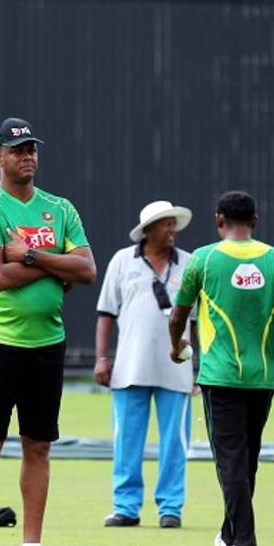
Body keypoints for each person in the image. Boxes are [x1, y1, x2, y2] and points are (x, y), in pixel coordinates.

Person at [0, 117, 96, 546]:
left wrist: (33, 256)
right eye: (18, 150)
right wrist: (58, 267)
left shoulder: (59, 209)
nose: (28, 157)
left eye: (32, 149)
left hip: (47, 343)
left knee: (38, 445)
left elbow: (87, 270)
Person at [168, 191, 274, 546]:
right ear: (255, 221)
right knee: (246, 460)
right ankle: (229, 535)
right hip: (262, 377)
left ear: (218, 219)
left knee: (232, 463)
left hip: (220, 377)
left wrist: (176, 345)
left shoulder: (202, 260)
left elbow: (178, 315)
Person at [95, 200, 197, 529]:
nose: (171, 229)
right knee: (126, 439)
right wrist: (101, 359)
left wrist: (202, 366)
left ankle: (171, 507)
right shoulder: (123, 261)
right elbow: (106, 313)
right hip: (130, 366)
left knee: (174, 443)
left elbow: (200, 321)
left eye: (172, 223)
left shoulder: (191, 264)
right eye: (165, 224)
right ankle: (125, 506)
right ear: (148, 229)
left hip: (176, 368)